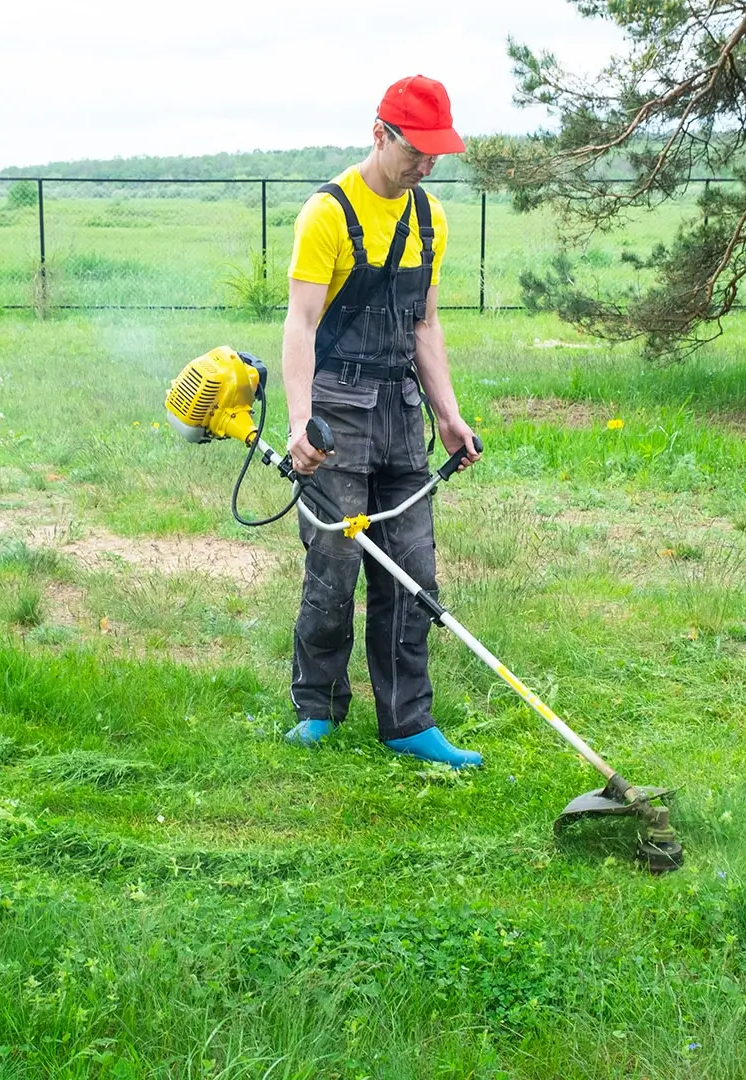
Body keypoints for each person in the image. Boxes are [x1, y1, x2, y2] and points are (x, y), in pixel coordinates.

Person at [280, 74, 482, 769]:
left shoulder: (430, 219)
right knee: (334, 567)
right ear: (379, 134)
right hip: (336, 409)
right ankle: (318, 709)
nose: (426, 165)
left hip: (400, 410)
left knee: (413, 572)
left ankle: (407, 722)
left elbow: (424, 325)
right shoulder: (328, 214)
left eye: (436, 154)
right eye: (415, 150)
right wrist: (301, 422)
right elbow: (302, 324)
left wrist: (448, 415)